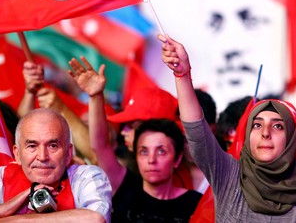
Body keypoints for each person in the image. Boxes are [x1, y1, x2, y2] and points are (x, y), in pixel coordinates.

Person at [158, 34, 296, 221]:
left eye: (278, 126)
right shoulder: (228, 174)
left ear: (292, 139)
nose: (265, 133)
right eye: (257, 125)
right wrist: (182, 75)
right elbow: (196, 131)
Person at [69, 57, 202, 222]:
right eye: (143, 151)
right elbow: (100, 145)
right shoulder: (125, 187)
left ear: (177, 157)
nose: (151, 160)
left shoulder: (198, 202)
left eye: (161, 151)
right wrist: (95, 96)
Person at [0, 108, 111, 221]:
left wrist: (15, 220)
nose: (42, 157)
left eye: (52, 146)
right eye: (32, 146)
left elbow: (97, 218)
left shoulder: (85, 177)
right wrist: (1, 209)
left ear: (69, 153)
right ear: (17, 154)